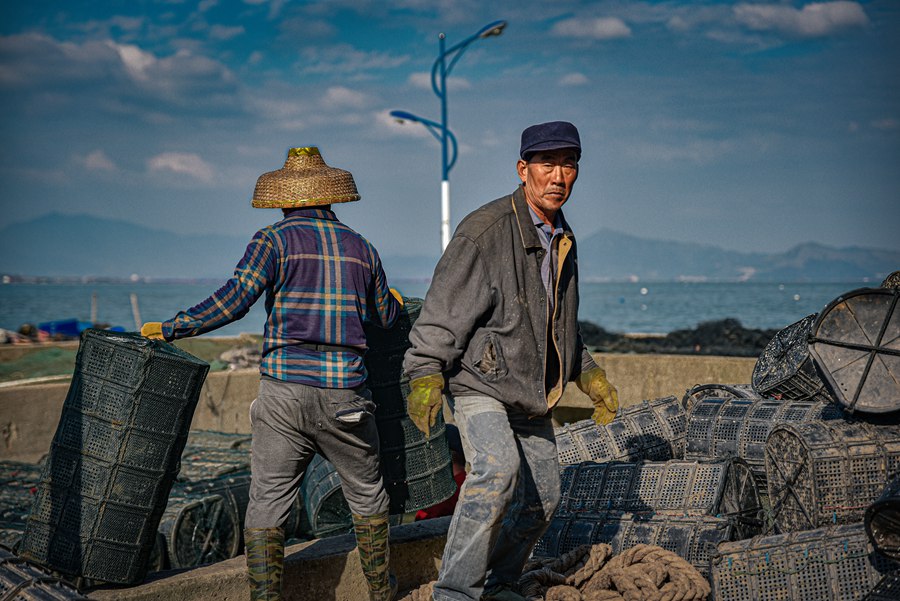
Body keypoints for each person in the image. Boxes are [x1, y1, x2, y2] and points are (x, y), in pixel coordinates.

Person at [141, 146, 402, 601]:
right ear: (330, 199)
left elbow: (233, 300)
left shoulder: (272, 240)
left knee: (268, 501)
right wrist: (394, 300)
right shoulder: (362, 248)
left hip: (283, 395)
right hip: (346, 395)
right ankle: (383, 592)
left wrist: (172, 327)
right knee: (367, 495)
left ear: (284, 199)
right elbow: (385, 317)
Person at [402, 121, 619, 601]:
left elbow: (556, 324)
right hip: (481, 382)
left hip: (534, 390)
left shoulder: (563, 239)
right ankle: (455, 594)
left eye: (568, 165)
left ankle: (500, 585)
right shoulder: (484, 232)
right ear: (524, 170)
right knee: (496, 472)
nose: (558, 176)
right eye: (547, 165)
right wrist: (424, 375)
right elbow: (441, 313)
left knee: (544, 498)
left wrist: (589, 372)